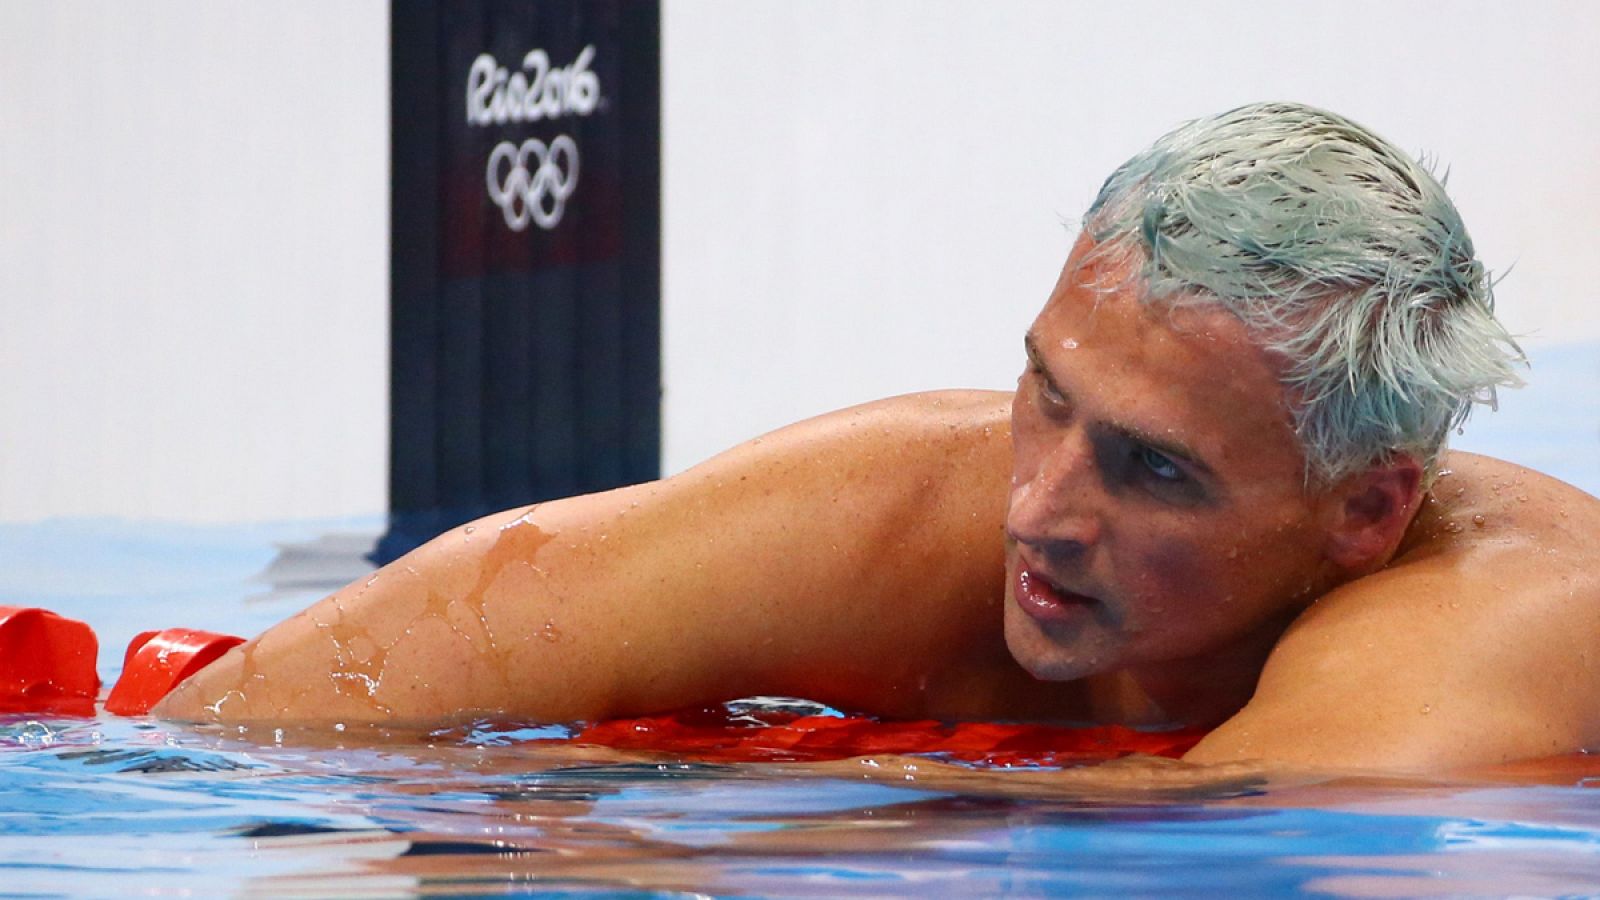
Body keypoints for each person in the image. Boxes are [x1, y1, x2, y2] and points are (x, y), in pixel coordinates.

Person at [157, 102, 1600, 774]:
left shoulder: (1484, 629)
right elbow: (260, 720)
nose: (1038, 507)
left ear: (1361, 512)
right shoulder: (907, 508)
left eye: (1151, 467)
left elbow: (1231, 843)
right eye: (1047, 394)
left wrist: (729, 794)